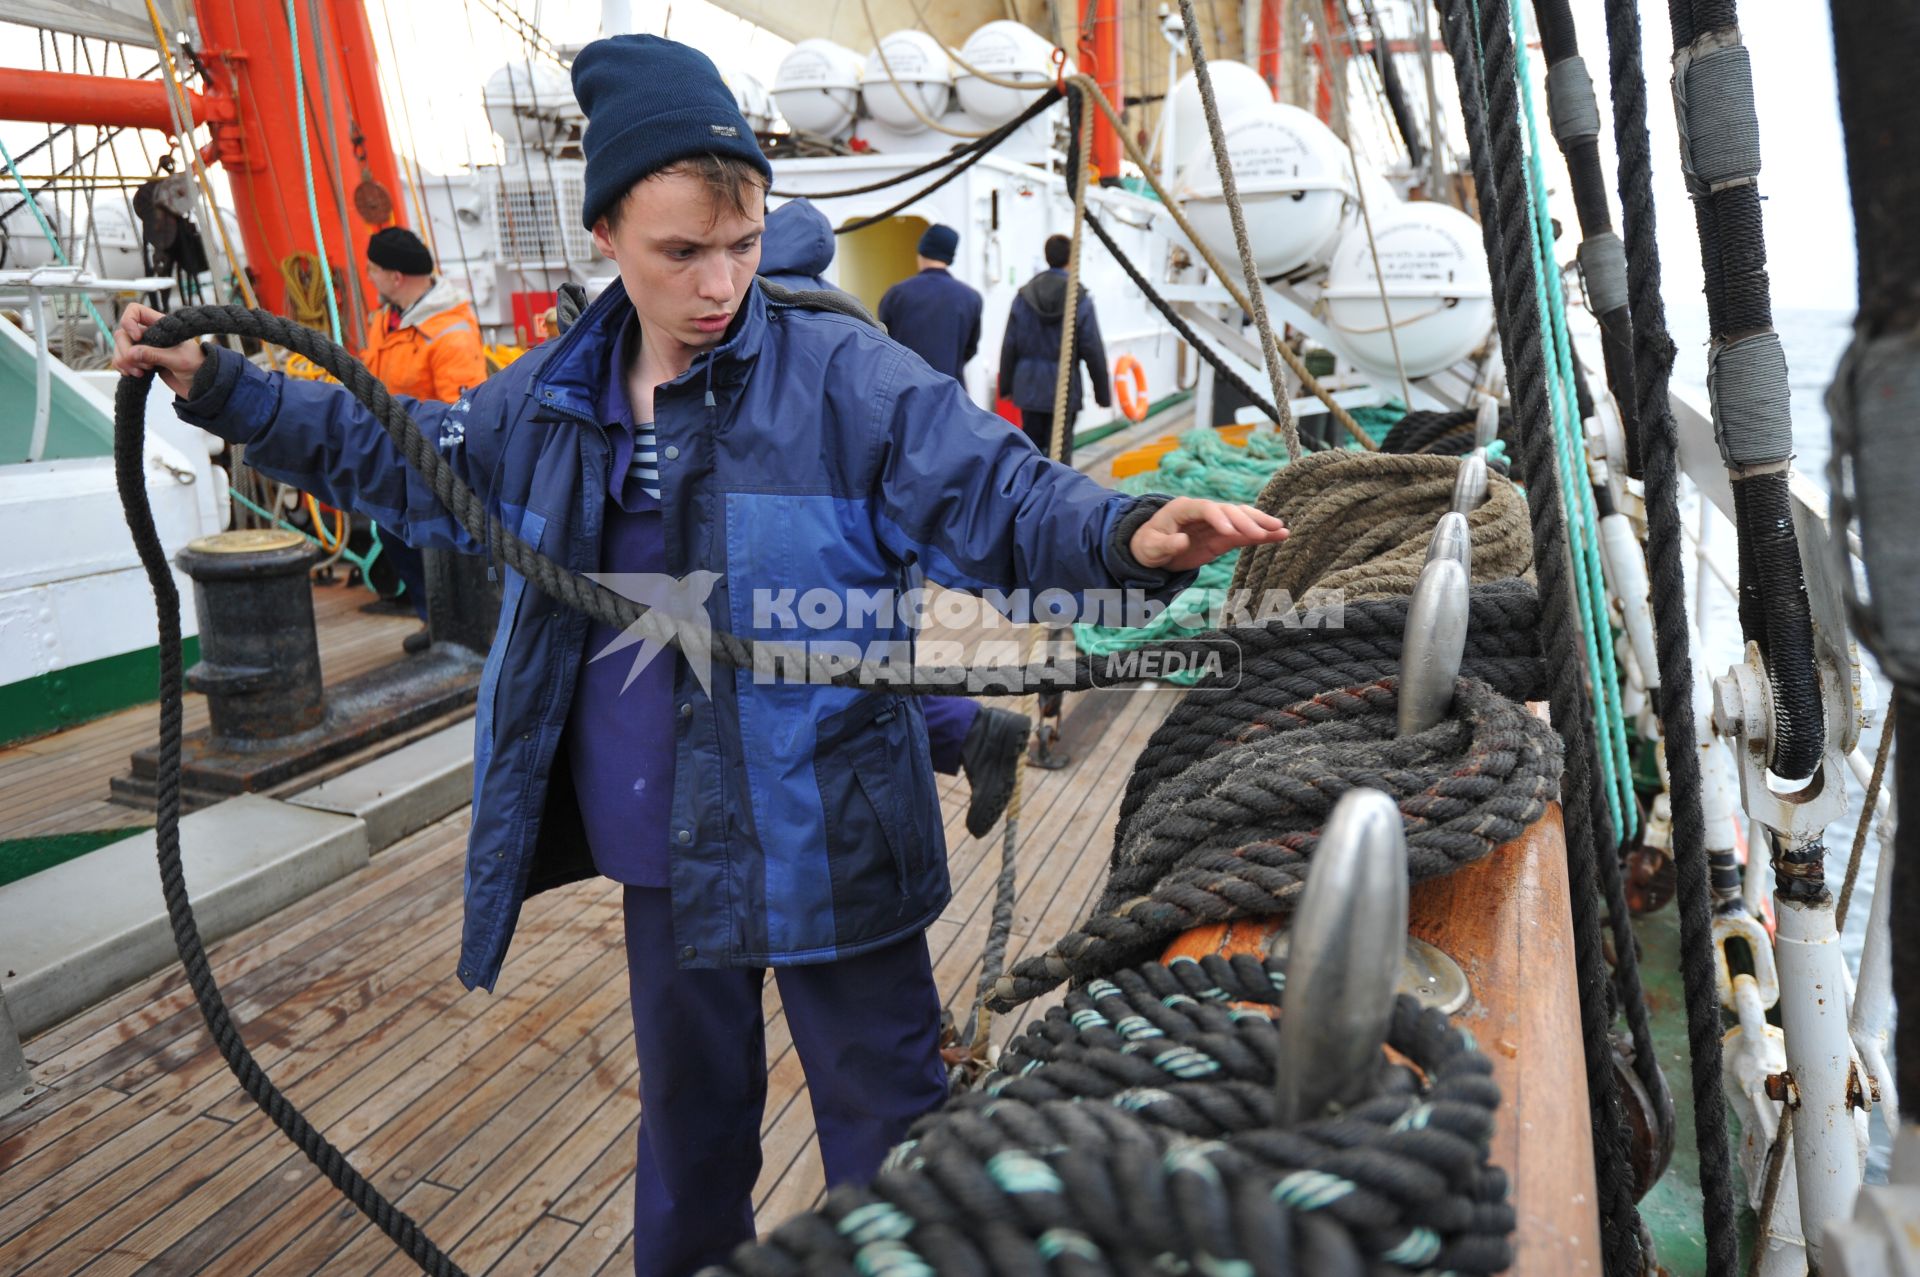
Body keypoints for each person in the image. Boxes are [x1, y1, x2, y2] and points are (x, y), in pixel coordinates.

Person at [113, 34, 1287, 1277]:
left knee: (887, 1125)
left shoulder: (846, 377)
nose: (720, 280)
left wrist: (1122, 531)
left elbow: (993, 491)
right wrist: (228, 389)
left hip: (834, 830)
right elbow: (404, 455)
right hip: (663, 841)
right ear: (606, 237)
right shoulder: (548, 396)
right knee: (688, 1124)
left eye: (740, 243)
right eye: (682, 252)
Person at [762, 197, 1028, 836]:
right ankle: (966, 728)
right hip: (925, 423)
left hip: (840, 471)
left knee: (821, 662)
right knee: (855, 647)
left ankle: (965, 729)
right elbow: (963, 351)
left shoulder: (873, 304)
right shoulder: (958, 300)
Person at [358, 227, 488, 647]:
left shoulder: (450, 333)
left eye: (373, 269)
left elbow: (462, 411)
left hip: (431, 462)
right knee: (394, 537)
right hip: (391, 454)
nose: (369, 276)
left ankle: (460, 627)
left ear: (395, 277)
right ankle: (431, 618)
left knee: (439, 545)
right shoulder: (386, 320)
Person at [999, 233, 1111, 463]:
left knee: (1031, 454)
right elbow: (1092, 349)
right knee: (1060, 455)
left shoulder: (1023, 296)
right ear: (1070, 260)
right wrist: (1102, 393)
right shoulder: (1079, 298)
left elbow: (1010, 344)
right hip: (1064, 388)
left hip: (1028, 386)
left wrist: (1007, 386)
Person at [875, 223, 983, 383]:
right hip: (951, 392)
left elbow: (882, 342)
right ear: (950, 256)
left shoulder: (896, 294)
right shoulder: (971, 298)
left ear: (921, 252)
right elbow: (970, 349)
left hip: (905, 389)